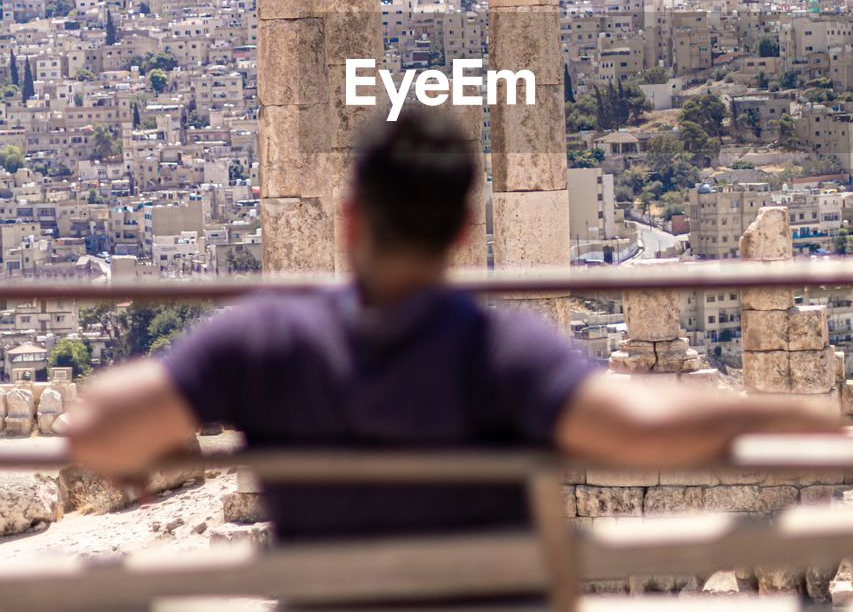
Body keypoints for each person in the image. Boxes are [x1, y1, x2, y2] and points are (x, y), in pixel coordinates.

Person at [61, 109, 840, 539]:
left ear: (348, 218)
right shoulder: (503, 349)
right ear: (468, 230)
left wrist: (139, 435)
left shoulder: (261, 338)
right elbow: (644, 428)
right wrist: (793, 409)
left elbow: (96, 427)